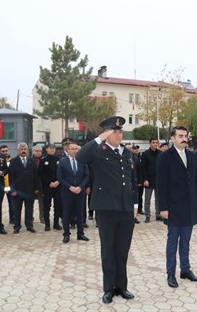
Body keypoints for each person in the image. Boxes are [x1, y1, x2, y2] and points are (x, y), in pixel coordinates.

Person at [75, 116, 138, 304]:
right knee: (108, 250)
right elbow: (80, 157)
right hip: (106, 209)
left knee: (122, 250)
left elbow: (132, 180)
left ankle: (121, 286)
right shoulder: (98, 151)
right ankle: (108, 288)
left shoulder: (127, 153)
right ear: (106, 133)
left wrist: (135, 203)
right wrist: (99, 138)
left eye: (120, 131)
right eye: (115, 131)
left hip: (126, 209)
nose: (119, 134)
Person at [156, 125, 197, 289]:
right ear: (173, 138)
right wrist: (163, 208)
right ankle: (171, 273)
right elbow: (161, 184)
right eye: (181, 136)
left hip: (189, 206)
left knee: (186, 241)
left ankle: (185, 270)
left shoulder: (191, 156)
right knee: (172, 243)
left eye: (185, 135)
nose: (184, 138)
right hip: (173, 207)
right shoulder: (165, 157)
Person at [57, 141, 90, 243]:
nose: (75, 151)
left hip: (80, 192)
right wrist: (70, 187)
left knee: (80, 213)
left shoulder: (83, 161)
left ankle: (80, 234)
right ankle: (66, 234)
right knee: (66, 214)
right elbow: (60, 177)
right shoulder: (63, 162)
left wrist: (80, 187)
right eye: (72, 149)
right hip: (67, 192)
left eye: (76, 149)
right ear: (68, 150)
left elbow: (87, 176)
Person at [9, 142, 40, 233]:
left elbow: (36, 175)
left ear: (27, 150)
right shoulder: (13, 161)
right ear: (18, 150)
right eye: (21, 149)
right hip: (18, 190)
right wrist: (12, 190)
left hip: (30, 190)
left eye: (25, 149)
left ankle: (29, 225)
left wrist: (36, 188)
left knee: (29, 209)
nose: (23, 151)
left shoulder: (32, 161)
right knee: (17, 209)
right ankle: (17, 226)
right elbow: (11, 177)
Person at [39, 143, 62, 231]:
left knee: (58, 205)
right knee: (46, 205)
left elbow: (62, 173)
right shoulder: (43, 160)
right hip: (47, 186)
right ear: (47, 149)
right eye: (50, 148)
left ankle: (56, 223)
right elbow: (41, 174)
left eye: (53, 148)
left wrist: (58, 181)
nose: (52, 149)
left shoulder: (59, 160)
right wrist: (49, 182)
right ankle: (47, 224)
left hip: (58, 186)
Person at [141, 138, 162, 223]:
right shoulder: (145, 154)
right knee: (147, 200)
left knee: (158, 199)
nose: (155, 144)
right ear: (150, 143)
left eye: (156, 142)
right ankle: (147, 215)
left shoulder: (161, 154)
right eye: (153, 142)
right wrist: (145, 179)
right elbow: (143, 168)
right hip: (148, 180)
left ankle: (158, 215)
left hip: (158, 180)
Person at [0, 144, 14, 224]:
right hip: (0, 185)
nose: (5, 152)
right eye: (3, 151)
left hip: (10, 185)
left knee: (12, 203)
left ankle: (12, 218)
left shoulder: (13, 161)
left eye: (6, 151)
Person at [32, 145, 45, 224]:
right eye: (36, 151)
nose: (38, 152)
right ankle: (30, 217)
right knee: (30, 202)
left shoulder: (43, 160)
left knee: (42, 202)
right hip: (31, 185)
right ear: (33, 151)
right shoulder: (29, 160)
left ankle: (42, 216)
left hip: (42, 185)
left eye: (40, 151)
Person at [131, 144, 143, 223]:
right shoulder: (129, 157)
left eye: (137, 149)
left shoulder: (136, 158)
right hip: (128, 182)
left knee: (136, 198)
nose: (136, 150)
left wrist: (139, 181)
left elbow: (139, 171)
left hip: (135, 181)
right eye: (134, 149)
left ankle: (134, 216)